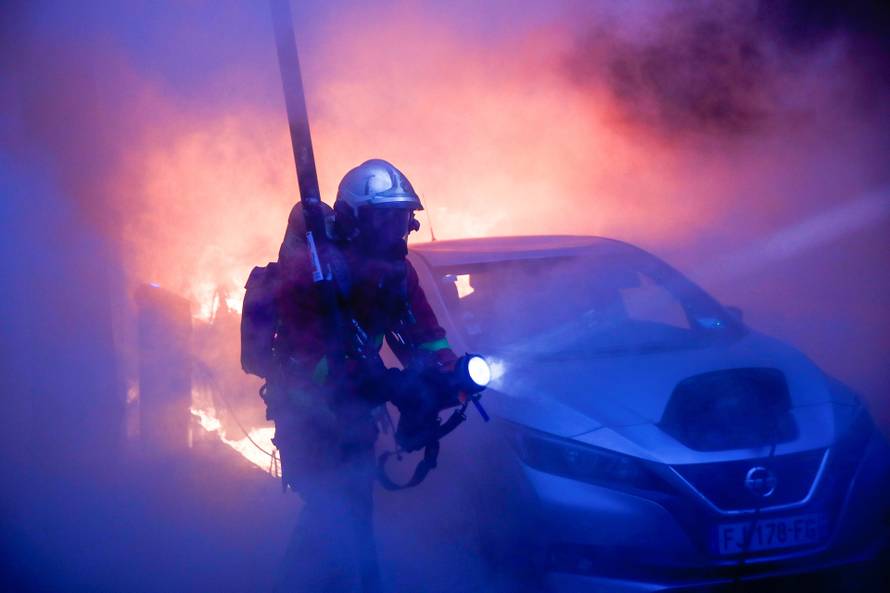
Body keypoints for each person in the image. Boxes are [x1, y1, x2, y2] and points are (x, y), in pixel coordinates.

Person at [258, 159, 459, 593]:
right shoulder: (312, 274)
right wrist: (378, 382)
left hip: (354, 416)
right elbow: (309, 358)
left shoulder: (399, 274)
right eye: (383, 219)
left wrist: (449, 371)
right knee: (330, 514)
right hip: (309, 417)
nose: (395, 231)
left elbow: (426, 333)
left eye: (402, 219)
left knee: (351, 512)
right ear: (354, 220)